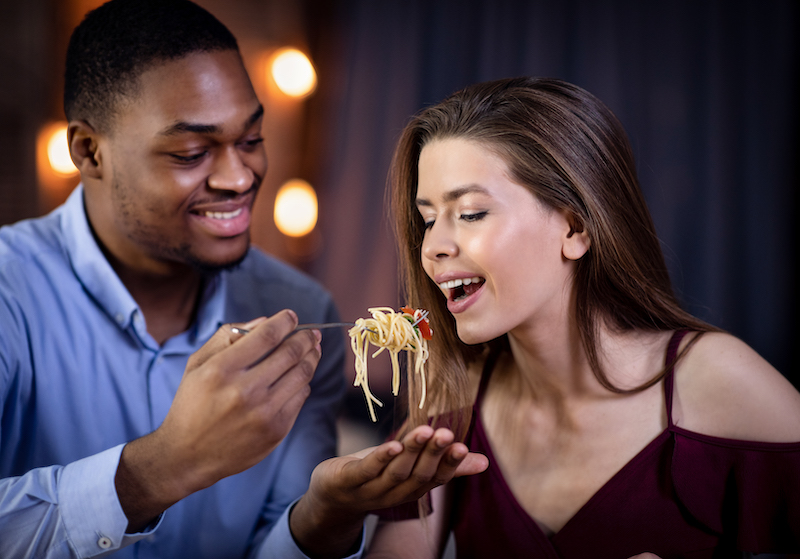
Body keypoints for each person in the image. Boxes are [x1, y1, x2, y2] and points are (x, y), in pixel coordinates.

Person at [0, 1, 486, 557]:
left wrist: (327, 512)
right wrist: (164, 465)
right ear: (89, 151)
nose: (239, 176)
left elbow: (274, 545)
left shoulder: (300, 307)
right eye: (191, 151)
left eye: (251, 139)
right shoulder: (9, 291)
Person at [366, 77, 800, 558]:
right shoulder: (452, 406)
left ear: (574, 227)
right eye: (427, 219)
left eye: (470, 213)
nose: (432, 248)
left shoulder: (718, 380)